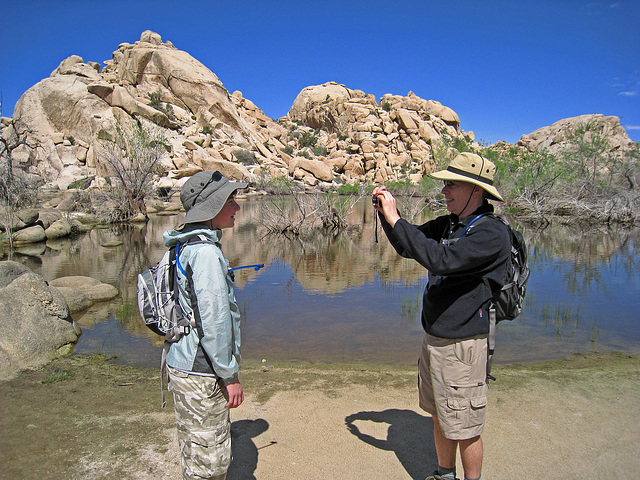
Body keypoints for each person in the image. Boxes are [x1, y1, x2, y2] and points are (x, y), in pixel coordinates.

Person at [372, 152, 510, 480]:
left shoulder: (490, 233)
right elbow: (410, 245)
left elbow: (441, 260)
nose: (444, 190)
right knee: (440, 415)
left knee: (466, 428)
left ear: (476, 191)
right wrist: (386, 215)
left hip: (463, 347)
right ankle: (444, 474)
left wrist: (396, 218)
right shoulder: (451, 223)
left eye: (451, 184)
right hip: (435, 339)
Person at [163, 170, 248, 480]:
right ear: (211, 208)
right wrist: (229, 375)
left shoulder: (181, 245)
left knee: (194, 451)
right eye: (230, 200)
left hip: (180, 363)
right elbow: (213, 323)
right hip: (201, 371)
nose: (237, 207)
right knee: (211, 466)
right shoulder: (207, 254)